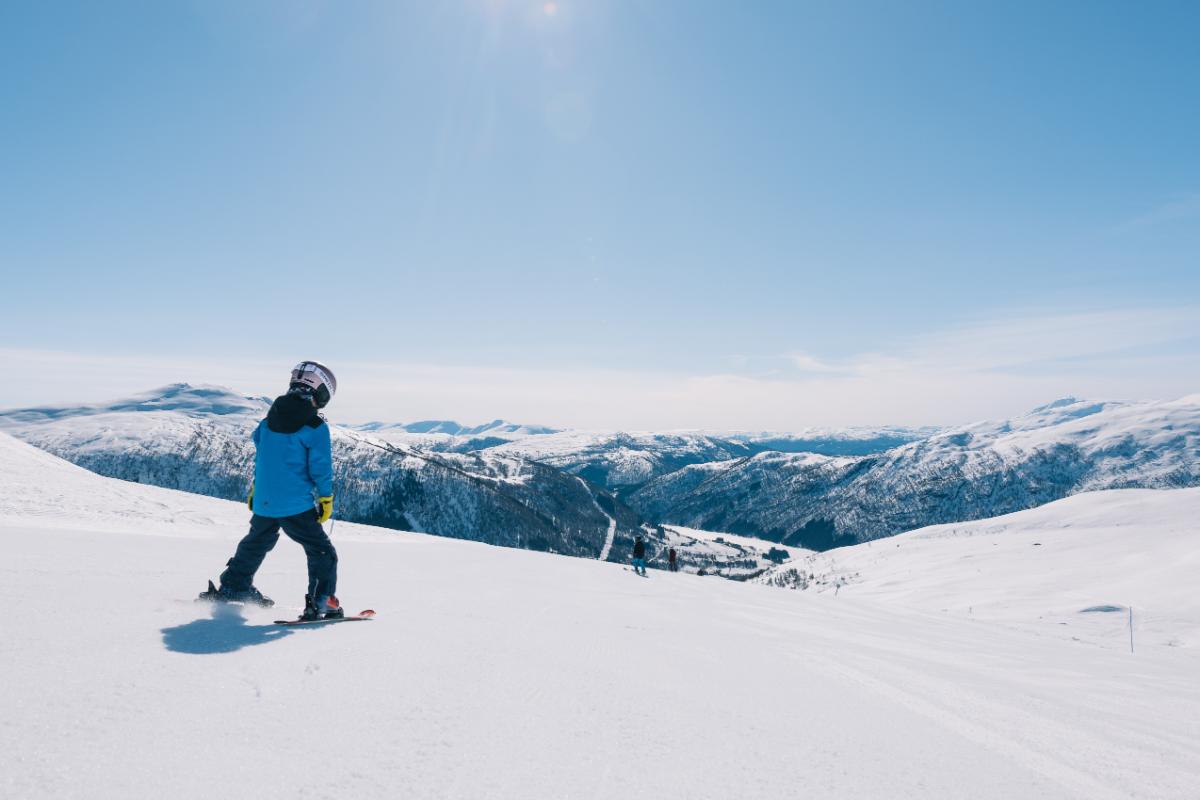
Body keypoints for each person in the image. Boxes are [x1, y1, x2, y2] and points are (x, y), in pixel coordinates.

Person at [200, 361, 342, 620]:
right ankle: (323, 602)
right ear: (320, 391)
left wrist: (256, 488)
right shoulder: (314, 427)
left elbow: (263, 454)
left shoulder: (268, 422)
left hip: (265, 500)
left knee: (257, 541)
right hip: (295, 504)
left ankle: (234, 586)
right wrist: (325, 498)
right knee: (322, 551)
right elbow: (321, 468)